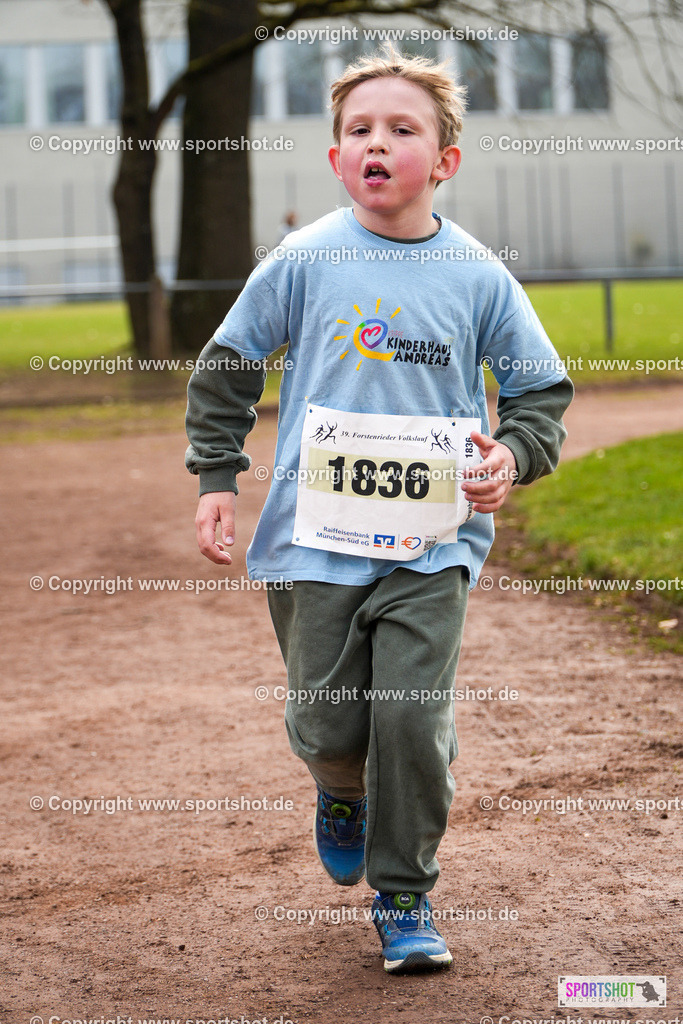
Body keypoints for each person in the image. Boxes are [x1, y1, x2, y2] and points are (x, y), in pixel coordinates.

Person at [185, 46, 573, 975]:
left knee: (408, 715)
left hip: (432, 548)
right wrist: (213, 478)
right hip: (310, 545)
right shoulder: (305, 259)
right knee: (330, 723)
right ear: (334, 157)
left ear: (443, 160)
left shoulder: (479, 276)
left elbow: (538, 399)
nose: (377, 143)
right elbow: (226, 370)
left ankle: (405, 895)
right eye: (360, 129)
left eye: (403, 130)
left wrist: (508, 460)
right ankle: (337, 787)